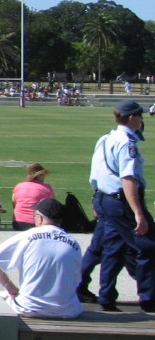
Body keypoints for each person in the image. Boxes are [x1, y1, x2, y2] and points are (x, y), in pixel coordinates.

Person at [83, 100, 154, 312]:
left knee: (112, 249)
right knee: (148, 246)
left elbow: (96, 173)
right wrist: (138, 213)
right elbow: (128, 179)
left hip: (106, 198)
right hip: (121, 201)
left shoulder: (106, 138)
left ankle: (106, 297)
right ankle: (149, 298)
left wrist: (97, 200)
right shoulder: (126, 142)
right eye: (139, 116)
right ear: (133, 118)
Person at [0, 198, 84, 319]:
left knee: (0, 298)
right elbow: (77, 279)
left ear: (40, 218)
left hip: (29, 309)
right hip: (68, 311)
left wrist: (9, 285)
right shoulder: (74, 243)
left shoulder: (28, 236)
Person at [12, 163, 55, 231]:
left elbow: (14, 204)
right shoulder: (47, 188)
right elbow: (51, 207)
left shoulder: (18, 186)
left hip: (18, 224)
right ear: (40, 175)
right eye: (44, 174)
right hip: (37, 224)